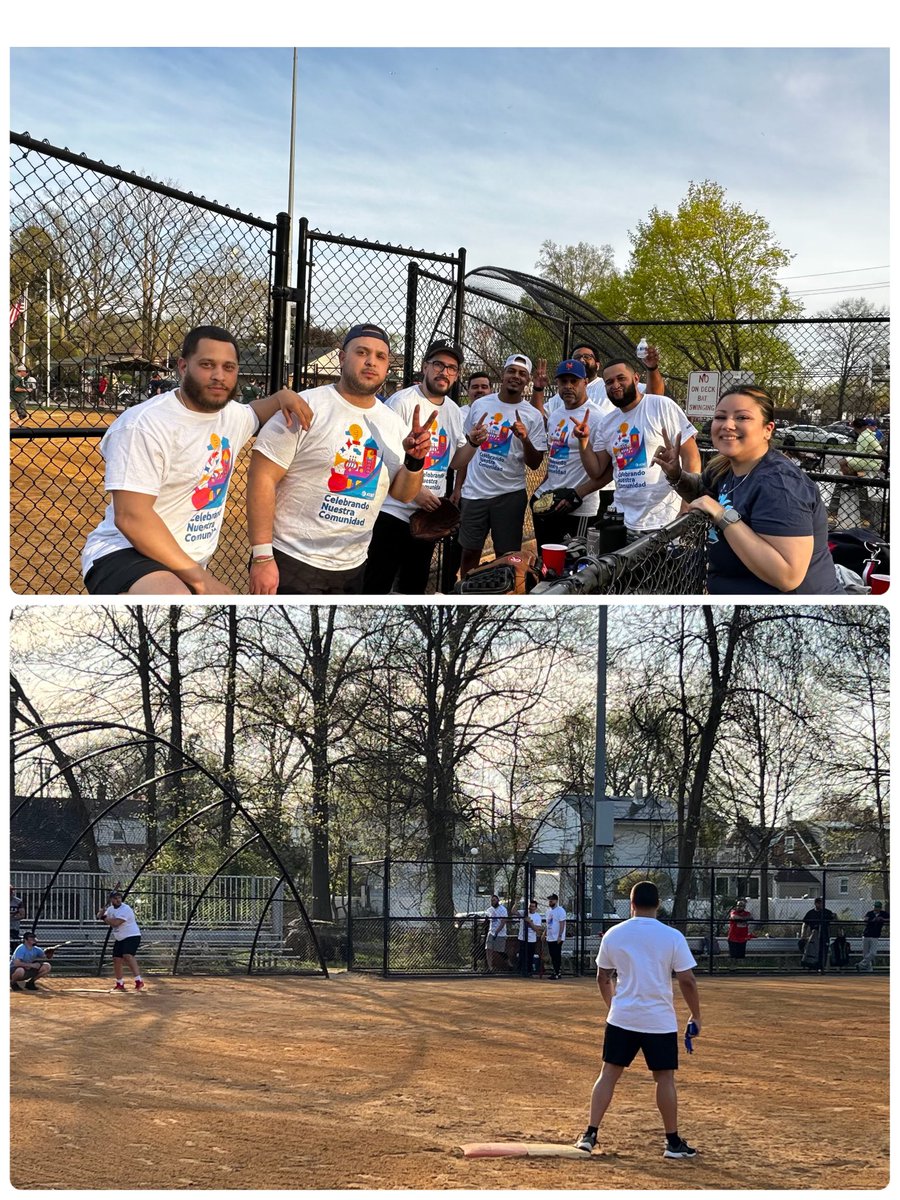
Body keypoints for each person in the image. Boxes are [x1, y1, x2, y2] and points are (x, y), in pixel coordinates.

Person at [81, 325, 314, 596]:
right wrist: (202, 580)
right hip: (125, 551)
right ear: (182, 366)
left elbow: (256, 411)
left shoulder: (231, 416)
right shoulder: (143, 424)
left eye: (229, 367)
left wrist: (281, 396)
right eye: (207, 365)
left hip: (183, 560)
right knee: (174, 596)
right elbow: (131, 517)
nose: (219, 376)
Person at [246, 324, 433, 596]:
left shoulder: (393, 424)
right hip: (293, 558)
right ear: (342, 358)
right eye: (362, 352)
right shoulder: (306, 406)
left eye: (381, 357)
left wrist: (415, 461)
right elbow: (261, 476)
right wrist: (262, 557)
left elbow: (403, 494)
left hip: (354, 563)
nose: (371, 361)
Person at [657, 386, 844, 594]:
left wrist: (722, 515)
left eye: (742, 417)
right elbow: (703, 495)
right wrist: (676, 475)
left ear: (768, 430)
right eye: (720, 417)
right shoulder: (724, 467)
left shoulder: (779, 484)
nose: (727, 425)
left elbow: (788, 576)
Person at [574, 880, 701, 1160]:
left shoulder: (614, 934)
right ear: (658, 905)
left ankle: (589, 1135)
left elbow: (602, 976)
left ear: (631, 904)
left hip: (623, 1017)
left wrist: (614, 1006)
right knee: (664, 1078)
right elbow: (687, 981)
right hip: (659, 1019)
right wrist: (696, 1015)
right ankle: (672, 1142)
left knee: (608, 1074)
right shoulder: (672, 936)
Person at [363, 340, 488, 594]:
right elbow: (380, 457)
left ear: (457, 375)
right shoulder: (402, 402)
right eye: (438, 364)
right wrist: (414, 490)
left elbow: (454, 462)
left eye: (451, 368)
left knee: (413, 587)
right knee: (376, 585)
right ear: (425, 367)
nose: (444, 372)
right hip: (393, 511)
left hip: (428, 517)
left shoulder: (453, 412)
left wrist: (473, 443)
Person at [576, 359, 700, 541]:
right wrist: (583, 442)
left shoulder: (661, 406)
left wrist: (687, 506)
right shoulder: (607, 423)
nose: (615, 385)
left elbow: (692, 457)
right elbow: (596, 471)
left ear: (635, 378)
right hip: (622, 520)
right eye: (609, 382)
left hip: (665, 520)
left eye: (621, 378)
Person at [454, 353, 548, 579]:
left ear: (527, 381)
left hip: (509, 494)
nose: (516, 376)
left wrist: (524, 439)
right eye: (512, 371)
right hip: (474, 492)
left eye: (522, 374)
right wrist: (459, 487)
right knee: (469, 552)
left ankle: (502, 590)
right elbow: (467, 449)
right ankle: (466, 590)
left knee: (507, 556)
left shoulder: (533, 415)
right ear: (503, 374)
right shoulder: (480, 405)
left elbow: (535, 464)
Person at [529, 359, 605, 552]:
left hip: (577, 508)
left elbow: (603, 471)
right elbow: (556, 457)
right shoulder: (556, 414)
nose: (568, 386)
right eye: (563, 381)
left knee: (572, 565)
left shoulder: (597, 418)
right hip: (549, 499)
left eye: (574, 381)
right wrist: (542, 487)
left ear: (585, 382)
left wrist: (578, 495)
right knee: (546, 559)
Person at [839, 417, 885, 529]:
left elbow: (861, 453)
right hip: (872, 461)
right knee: (850, 461)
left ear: (857, 427)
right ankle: (854, 482)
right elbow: (879, 450)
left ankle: (851, 482)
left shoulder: (864, 436)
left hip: (868, 461)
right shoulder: (868, 435)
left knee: (842, 462)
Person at [97, 889, 144, 990]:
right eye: (115, 898)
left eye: (119, 898)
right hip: (120, 937)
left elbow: (116, 923)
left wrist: (104, 917)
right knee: (116, 959)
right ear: (111, 900)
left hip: (132, 935)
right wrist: (101, 914)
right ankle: (120, 983)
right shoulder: (110, 909)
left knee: (127, 955)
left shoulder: (125, 909)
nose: (118, 900)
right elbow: (99, 917)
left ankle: (139, 980)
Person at [800, 897, 835, 972]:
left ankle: (821, 967)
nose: (821, 905)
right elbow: (805, 924)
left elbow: (834, 920)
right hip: (814, 935)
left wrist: (835, 917)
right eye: (819, 903)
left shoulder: (827, 912)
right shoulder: (810, 913)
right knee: (813, 950)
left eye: (822, 903)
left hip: (824, 934)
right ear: (816, 904)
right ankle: (812, 966)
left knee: (823, 950)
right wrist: (803, 935)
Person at [856, 901, 888, 973]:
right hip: (866, 935)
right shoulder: (870, 913)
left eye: (877, 907)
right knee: (865, 954)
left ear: (880, 908)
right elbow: (865, 920)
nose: (876, 908)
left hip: (875, 936)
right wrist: (873, 920)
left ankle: (860, 965)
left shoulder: (883, 914)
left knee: (873, 953)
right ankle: (868, 969)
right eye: (875, 907)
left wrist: (882, 919)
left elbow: (889, 919)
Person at [517, 899, 542, 976]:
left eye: (533, 906)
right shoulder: (524, 912)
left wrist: (530, 922)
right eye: (530, 906)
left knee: (530, 956)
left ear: (536, 908)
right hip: (522, 938)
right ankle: (520, 970)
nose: (531, 908)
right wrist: (516, 902)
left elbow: (537, 929)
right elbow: (513, 911)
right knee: (522, 955)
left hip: (531, 939)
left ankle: (529, 971)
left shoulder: (537, 916)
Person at [544, 894, 567, 980]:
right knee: (552, 954)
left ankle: (557, 972)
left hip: (557, 937)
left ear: (556, 901)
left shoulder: (560, 910)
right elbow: (548, 923)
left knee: (556, 954)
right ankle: (555, 971)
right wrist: (544, 933)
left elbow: (562, 924)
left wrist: (560, 936)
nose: (550, 902)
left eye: (552, 900)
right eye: (549, 900)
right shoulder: (548, 911)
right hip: (550, 936)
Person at [484, 895, 508, 972]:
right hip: (491, 932)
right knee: (488, 949)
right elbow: (486, 920)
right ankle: (490, 968)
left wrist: (497, 932)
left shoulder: (503, 909)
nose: (493, 902)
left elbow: (503, 922)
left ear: (497, 900)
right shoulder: (489, 910)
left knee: (500, 951)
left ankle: (510, 964)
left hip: (500, 933)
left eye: (494, 900)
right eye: (491, 900)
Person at [726, 898, 753, 964]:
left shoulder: (747, 913)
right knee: (733, 956)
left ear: (744, 907)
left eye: (741, 906)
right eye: (738, 905)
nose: (738, 907)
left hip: (742, 938)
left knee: (741, 956)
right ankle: (732, 967)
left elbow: (750, 917)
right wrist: (743, 918)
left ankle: (741, 968)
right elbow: (734, 917)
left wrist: (743, 918)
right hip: (733, 938)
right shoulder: (733, 912)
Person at [10, 885, 25, 957]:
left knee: (14, 945)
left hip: (13, 927)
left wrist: (12, 918)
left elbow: (22, 915)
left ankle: (14, 960)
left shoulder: (18, 901)